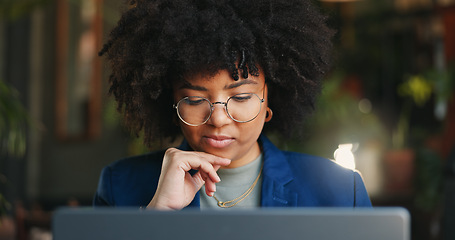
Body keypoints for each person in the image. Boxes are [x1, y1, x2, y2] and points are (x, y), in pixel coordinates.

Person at [93, 0, 372, 210]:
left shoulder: (342, 192)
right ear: (172, 102)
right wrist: (155, 219)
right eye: (194, 99)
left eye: (240, 97)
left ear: (269, 101)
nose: (218, 119)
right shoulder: (120, 187)